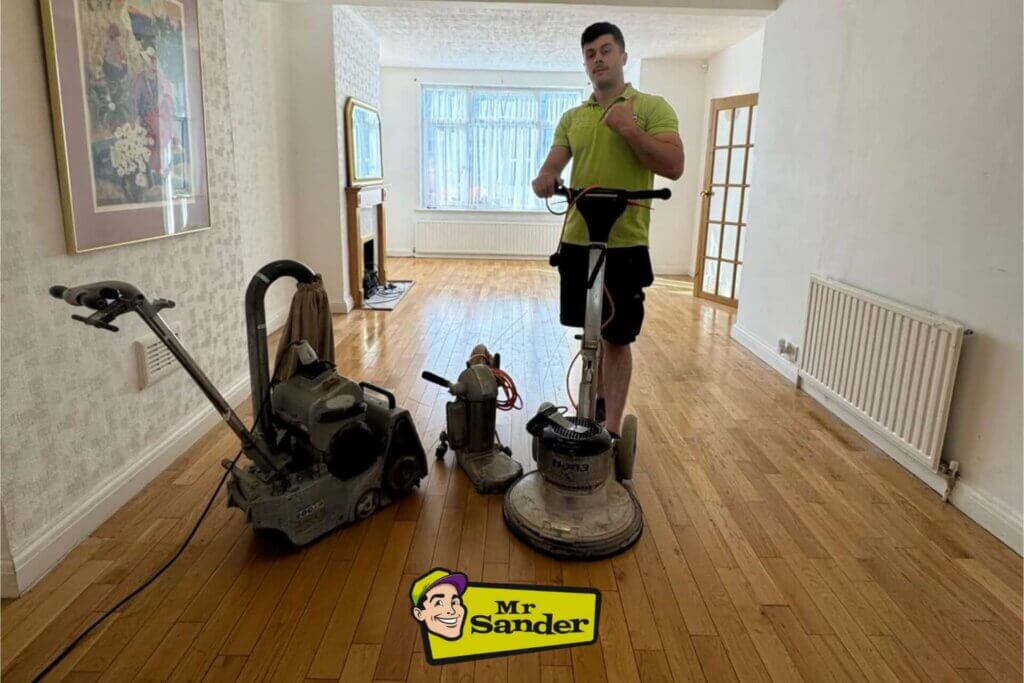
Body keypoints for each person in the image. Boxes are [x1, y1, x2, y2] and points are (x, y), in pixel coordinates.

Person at [531, 22, 684, 437]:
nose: (597, 59)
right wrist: (545, 177)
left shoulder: (650, 107)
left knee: (617, 338)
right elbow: (553, 165)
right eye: (590, 54)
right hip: (579, 239)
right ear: (585, 64)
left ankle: (612, 431)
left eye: (605, 50)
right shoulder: (574, 117)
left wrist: (628, 129)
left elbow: (673, 166)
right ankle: (591, 410)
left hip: (625, 242)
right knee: (589, 333)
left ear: (622, 56)